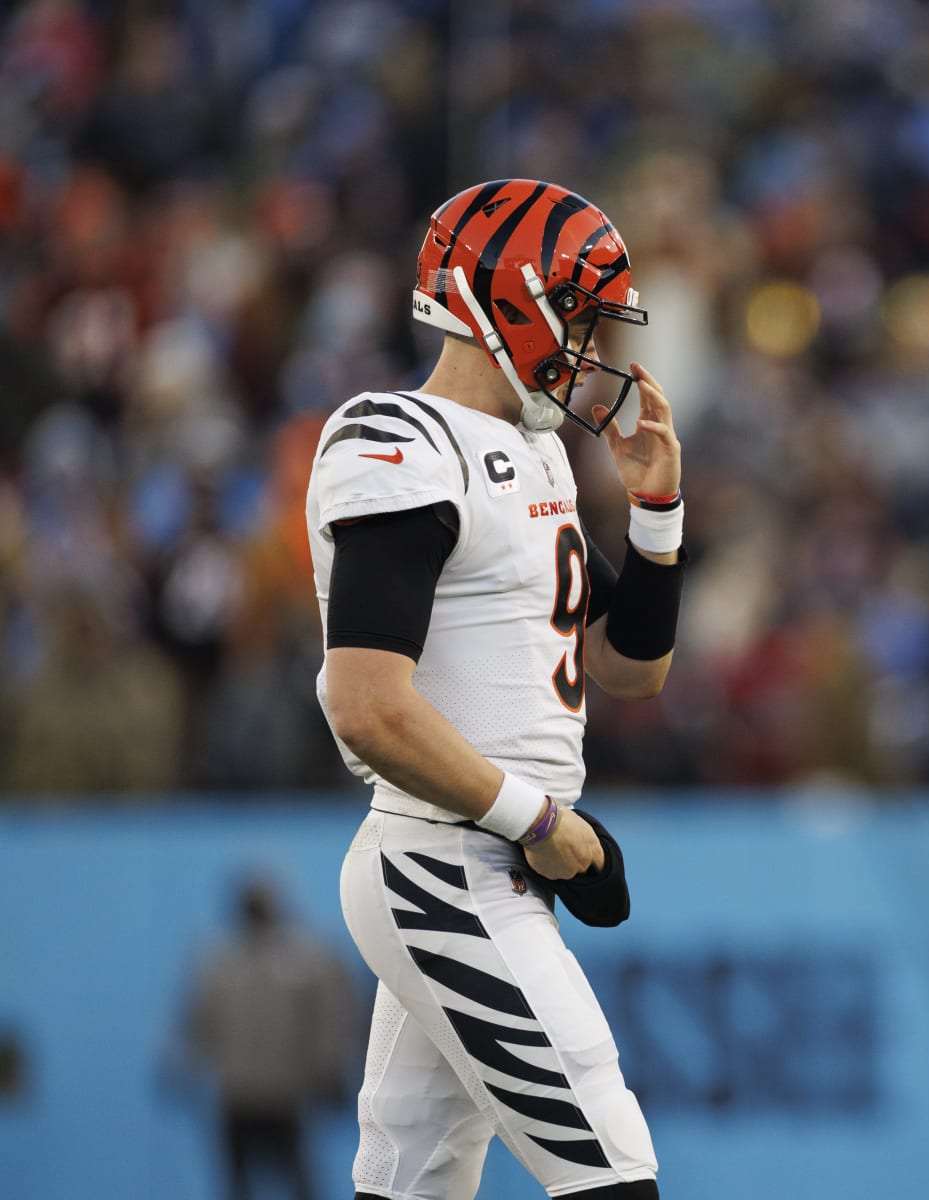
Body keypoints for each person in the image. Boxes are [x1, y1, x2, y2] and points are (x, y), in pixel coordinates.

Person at [305, 179, 686, 1199]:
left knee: (412, 1183)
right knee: (613, 1172)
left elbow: (631, 668)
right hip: (446, 860)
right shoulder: (400, 439)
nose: (595, 349)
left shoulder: (535, 451)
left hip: (481, 856)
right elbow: (365, 705)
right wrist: (543, 821)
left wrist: (656, 515)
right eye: (582, 317)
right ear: (515, 303)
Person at [182, 876, 358, 1200]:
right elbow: (198, 1020)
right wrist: (187, 1064)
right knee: (238, 1184)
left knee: (299, 1182)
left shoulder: (304, 960)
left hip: (286, 1095)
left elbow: (330, 1017)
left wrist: (330, 1070)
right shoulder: (220, 961)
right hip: (237, 1095)